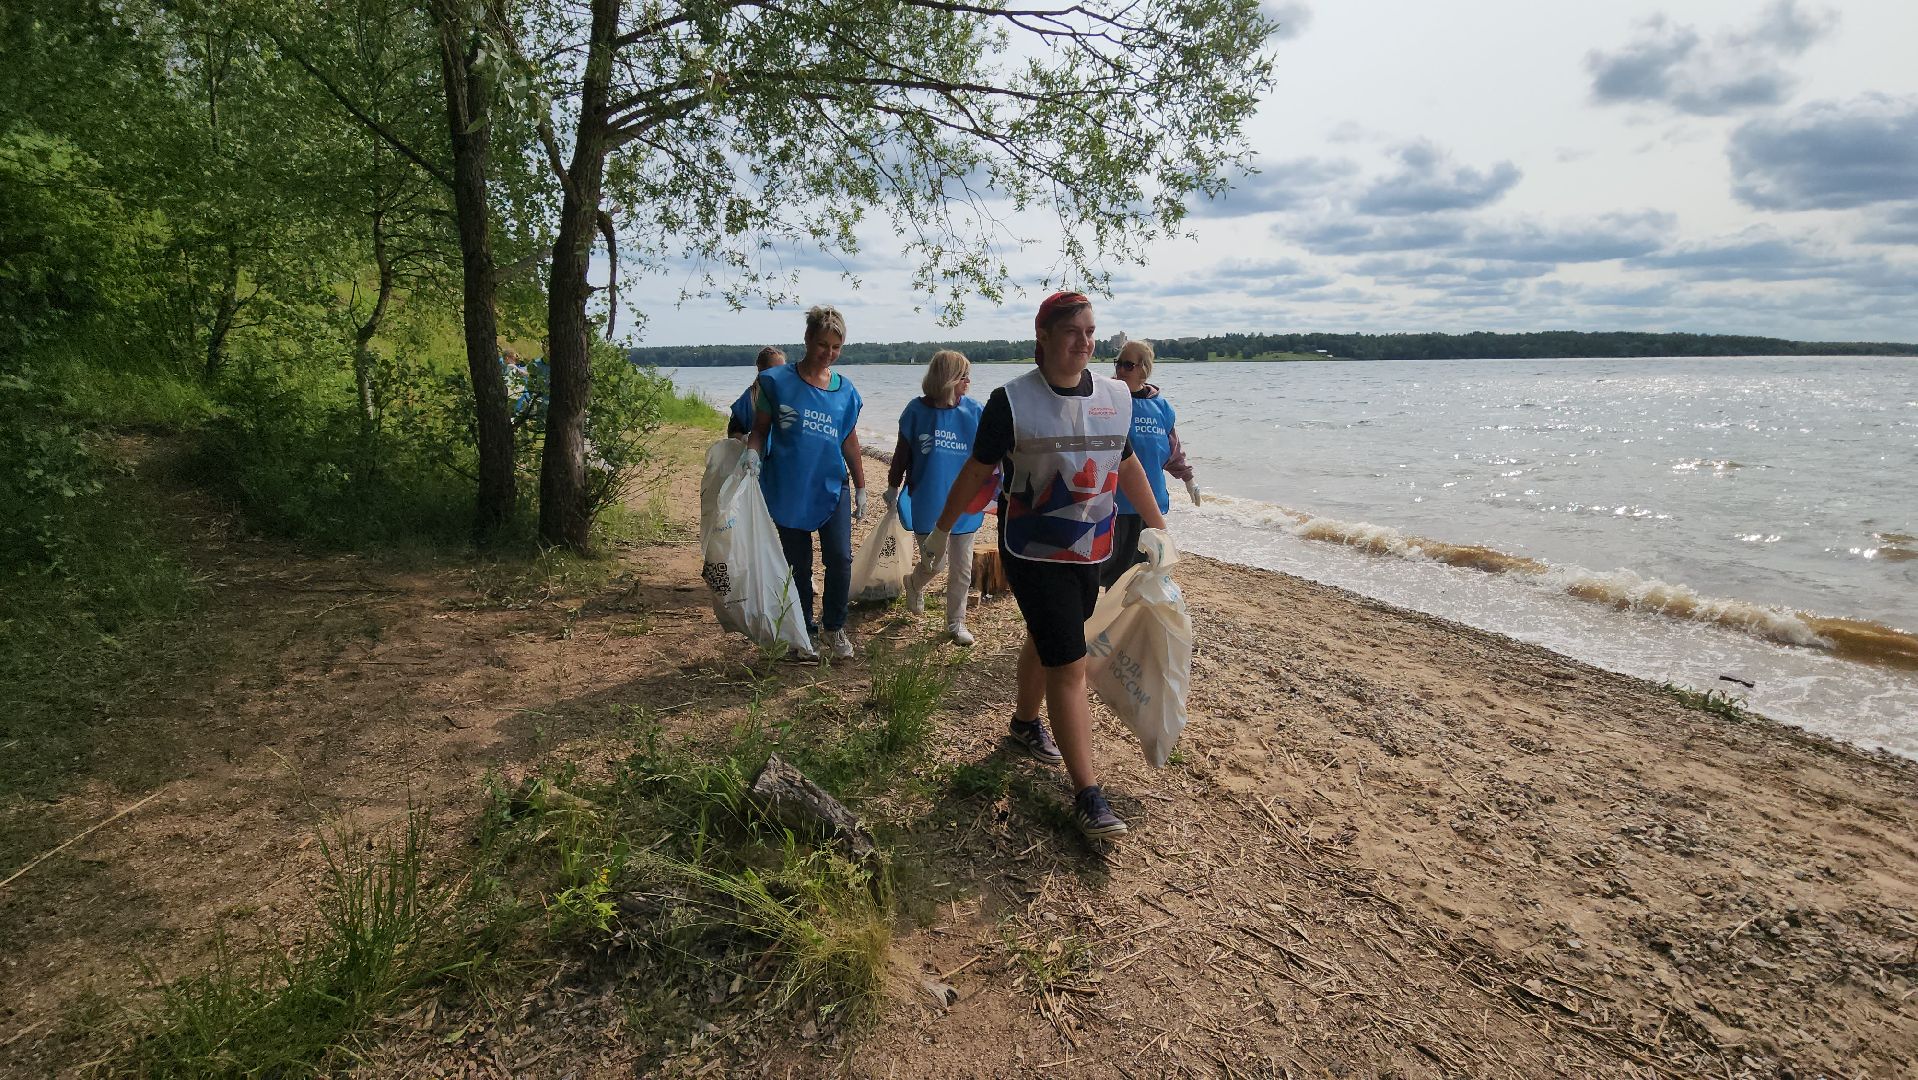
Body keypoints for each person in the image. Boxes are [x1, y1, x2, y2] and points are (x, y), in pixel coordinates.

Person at [918, 292, 1168, 838]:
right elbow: (975, 473)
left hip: (1090, 547)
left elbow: (1125, 465)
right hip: (1030, 549)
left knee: (1055, 633)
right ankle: (1088, 795)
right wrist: (940, 529)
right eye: (1073, 332)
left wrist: (1157, 529)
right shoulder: (1011, 403)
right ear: (1045, 338)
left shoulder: (1113, 398)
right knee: (1068, 663)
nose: (1086, 342)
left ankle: (1025, 724)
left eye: (1091, 331)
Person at [745, 306, 867, 661]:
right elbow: (760, 430)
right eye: (822, 344)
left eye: (835, 347)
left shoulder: (845, 391)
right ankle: (805, 631)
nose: (828, 353)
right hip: (788, 486)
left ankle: (835, 627)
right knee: (798, 565)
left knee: (840, 559)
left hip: (831, 485)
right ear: (807, 339)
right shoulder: (778, 382)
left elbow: (849, 440)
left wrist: (861, 485)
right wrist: (751, 455)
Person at [887, 350, 984, 646]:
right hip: (927, 498)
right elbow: (902, 454)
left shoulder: (975, 411)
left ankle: (956, 623)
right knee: (935, 563)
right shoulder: (916, 411)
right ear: (948, 379)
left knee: (962, 568)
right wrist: (892, 486)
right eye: (963, 376)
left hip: (964, 501)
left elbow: (988, 456)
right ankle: (914, 584)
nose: (968, 382)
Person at [1100, 339, 1202, 589]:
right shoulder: (1106, 401)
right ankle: (1109, 623)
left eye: (1128, 365)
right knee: (1112, 575)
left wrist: (1189, 480)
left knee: (1145, 575)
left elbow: (1172, 451)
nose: (1120, 370)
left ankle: (1136, 623)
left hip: (1151, 505)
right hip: (1115, 506)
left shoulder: (1161, 407)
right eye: (1118, 363)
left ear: (1144, 368)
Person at [728, 346, 787, 438]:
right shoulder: (747, 400)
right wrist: (745, 439)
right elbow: (733, 433)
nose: (779, 374)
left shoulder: (792, 395)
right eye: (774, 370)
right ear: (760, 369)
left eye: (783, 370)